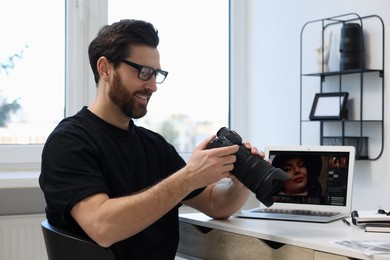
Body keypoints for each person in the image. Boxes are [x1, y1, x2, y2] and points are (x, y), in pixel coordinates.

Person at [39, 19, 262, 260]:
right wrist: (188, 177)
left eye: (156, 74)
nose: (153, 86)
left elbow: (215, 204)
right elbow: (102, 228)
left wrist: (241, 180)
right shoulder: (69, 142)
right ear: (105, 69)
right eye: (144, 72)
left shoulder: (155, 146)